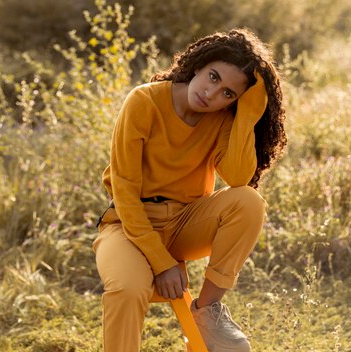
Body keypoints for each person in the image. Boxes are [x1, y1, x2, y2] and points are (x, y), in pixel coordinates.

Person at [93, 28, 287, 351]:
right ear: (199, 63)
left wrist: (246, 116)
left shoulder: (223, 120)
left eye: (228, 94)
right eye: (213, 77)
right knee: (127, 289)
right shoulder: (143, 102)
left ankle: (207, 312)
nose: (212, 94)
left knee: (249, 202)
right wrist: (162, 262)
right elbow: (124, 193)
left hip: (184, 224)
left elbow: (239, 179)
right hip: (127, 226)